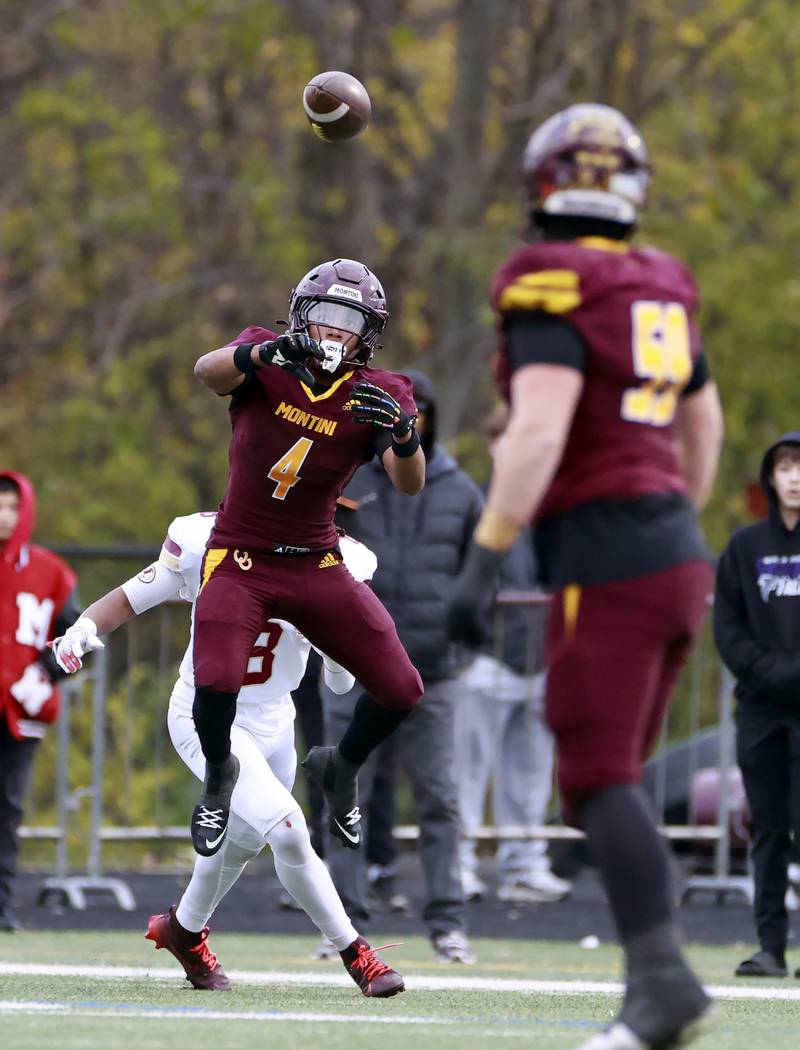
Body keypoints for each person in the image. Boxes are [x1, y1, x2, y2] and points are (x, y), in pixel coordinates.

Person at [446, 104, 724, 1049]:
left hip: (608, 556)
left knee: (598, 777)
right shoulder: (662, 280)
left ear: (541, 185)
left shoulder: (549, 278)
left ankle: (663, 985)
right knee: (614, 784)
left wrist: (484, 555)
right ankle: (657, 980)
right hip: (675, 548)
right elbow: (703, 424)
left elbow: (540, 431)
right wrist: (668, 509)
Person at [53, 511, 404, 998]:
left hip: (276, 720)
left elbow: (341, 684)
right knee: (286, 829)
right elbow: (135, 595)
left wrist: (330, 647)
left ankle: (184, 931)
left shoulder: (340, 561)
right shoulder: (208, 543)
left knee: (242, 842)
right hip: (209, 716)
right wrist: (85, 625)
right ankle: (355, 952)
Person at [190, 258, 425, 857]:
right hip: (241, 553)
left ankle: (338, 767)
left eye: (350, 321)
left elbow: (409, 483)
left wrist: (404, 435)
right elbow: (206, 372)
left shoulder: (381, 390)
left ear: (367, 333)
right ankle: (220, 775)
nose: (334, 331)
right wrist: (261, 357)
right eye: (325, 315)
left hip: (315, 560)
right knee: (215, 680)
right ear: (300, 315)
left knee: (401, 687)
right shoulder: (263, 355)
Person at [322, 370, 482, 964]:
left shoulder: (462, 491)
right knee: (344, 789)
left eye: (417, 413)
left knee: (438, 796)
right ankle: (342, 922)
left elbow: (479, 573)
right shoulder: (346, 475)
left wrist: (464, 633)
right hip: (354, 662)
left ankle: (448, 923)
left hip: (431, 670)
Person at [455, 404, 570, 904]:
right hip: (484, 661)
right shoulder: (472, 504)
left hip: (541, 660)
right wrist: (473, 643)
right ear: (492, 445)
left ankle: (524, 865)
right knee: (464, 771)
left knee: (531, 773)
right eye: (507, 439)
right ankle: (455, 866)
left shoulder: (550, 510)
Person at [714, 433, 800, 979]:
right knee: (768, 830)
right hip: (761, 710)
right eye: (786, 466)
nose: (794, 476)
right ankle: (770, 947)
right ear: (771, 476)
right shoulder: (744, 547)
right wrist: (770, 673)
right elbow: (727, 626)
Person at [0, 471, 80, 932]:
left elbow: (79, 638)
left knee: (7, 809)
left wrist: (44, 673)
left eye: (13, 506)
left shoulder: (49, 572)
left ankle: (2, 907)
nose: (6, 517)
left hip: (20, 711)